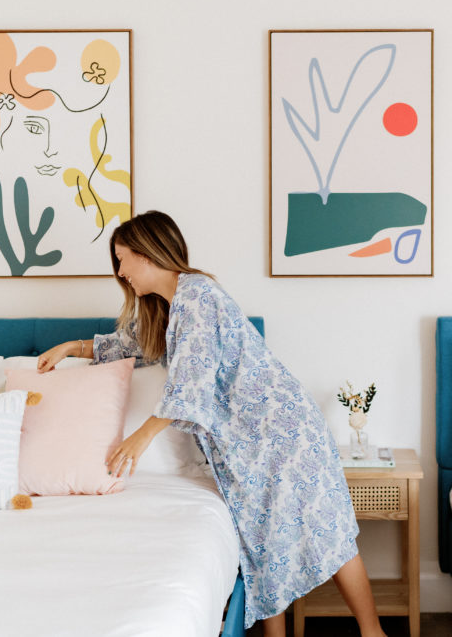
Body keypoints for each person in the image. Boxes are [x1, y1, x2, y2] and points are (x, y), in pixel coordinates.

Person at [36, 210, 387, 637]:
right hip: (243, 443)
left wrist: (142, 435)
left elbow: (192, 382)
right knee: (264, 542)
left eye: (123, 258)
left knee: (325, 531)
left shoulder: (198, 295)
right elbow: (133, 345)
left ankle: (373, 633)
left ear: (148, 254)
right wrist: (74, 347)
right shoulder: (167, 310)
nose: (120, 271)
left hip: (283, 431)